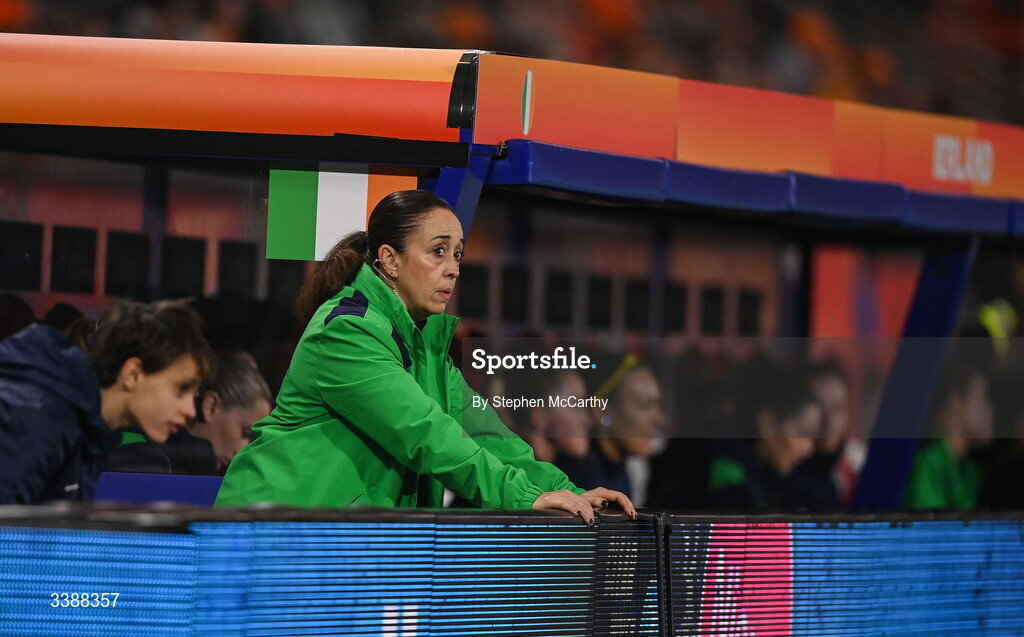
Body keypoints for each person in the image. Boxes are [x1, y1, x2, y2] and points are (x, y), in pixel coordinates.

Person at [215, 190, 636, 524]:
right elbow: (426, 434)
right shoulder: (347, 330)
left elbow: (485, 435)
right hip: (272, 535)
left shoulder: (427, 346)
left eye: (457, 253)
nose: (452, 267)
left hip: (338, 545)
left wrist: (567, 490)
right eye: (437, 251)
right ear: (390, 260)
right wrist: (525, 497)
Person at [0, 300, 212, 503]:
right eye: (181, 388)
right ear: (133, 375)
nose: (190, 410)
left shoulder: (91, 432)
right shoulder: (36, 416)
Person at [707, 370, 824, 511]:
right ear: (767, 423)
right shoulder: (731, 481)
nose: (809, 449)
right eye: (803, 432)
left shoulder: (770, 480)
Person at [558, 354, 667, 501]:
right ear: (603, 412)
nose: (660, 419)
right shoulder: (577, 484)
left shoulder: (622, 473)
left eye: (657, 405)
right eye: (645, 405)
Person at [905, 365, 993, 510]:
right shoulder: (924, 462)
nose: (990, 411)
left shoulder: (971, 471)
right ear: (956, 403)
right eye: (982, 399)